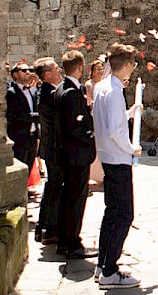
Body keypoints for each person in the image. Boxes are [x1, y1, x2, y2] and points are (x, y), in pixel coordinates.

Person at [92, 43, 144, 288]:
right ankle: (110, 271)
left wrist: (129, 112)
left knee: (111, 213)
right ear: (127, 65)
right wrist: (131, 148)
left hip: (108, 157)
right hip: (117, 158)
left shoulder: (104, 87)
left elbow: (112, 118)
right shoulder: (113, 91)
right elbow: (114, 130)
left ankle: (103, 264)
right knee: (124, 214)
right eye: (132, 64)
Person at [54, 51, 97, 259]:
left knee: (69, 198)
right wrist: (92, 136)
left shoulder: (62, 89)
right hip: (76, 154)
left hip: (69, 154)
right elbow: (74, 127)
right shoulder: (71, 92)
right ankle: (71, 242)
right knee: (75, 200)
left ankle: (65, 240)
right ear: (80, 68)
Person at [33, 57, 64, 245]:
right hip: (55, 148)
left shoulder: (46, 91)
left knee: (52, 186)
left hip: (51, 148)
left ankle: (43, 226)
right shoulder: (49, 94)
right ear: (47, 74)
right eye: (55, 68)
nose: (59, 70)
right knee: (54, 187)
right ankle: (50, 228)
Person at [5, 63, 40, 175]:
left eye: (30, 70)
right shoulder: (12, 92)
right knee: (20, 167)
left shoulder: (33, 91)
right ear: (15, 74)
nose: (28, 72)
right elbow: (16, 115)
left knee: (29, 166)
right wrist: (38, 116)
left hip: (32, 136)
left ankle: (26, 191)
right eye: (24, 70)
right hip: (19, 137)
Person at [85, 59, 106, 188]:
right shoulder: (89, 84)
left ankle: (102, 175)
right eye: (97, 69)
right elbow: (89, 101)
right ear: (92, 72)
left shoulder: (104, 84)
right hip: (93, 116)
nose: (100, 71)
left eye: (101, 68)